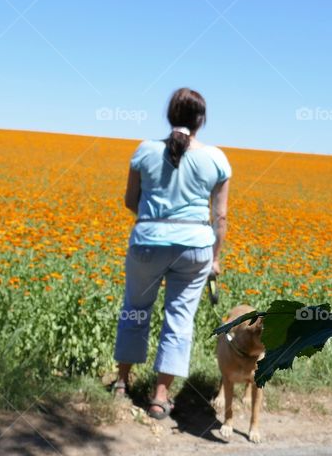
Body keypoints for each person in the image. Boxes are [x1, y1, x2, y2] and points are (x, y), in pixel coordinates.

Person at [110, 87, 231, 419]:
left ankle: (121, 383)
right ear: (201, 120)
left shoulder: (145, 151)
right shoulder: (216, 158)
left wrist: (155, 220)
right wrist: (215, 257)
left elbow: (130, 201)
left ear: (169, 116)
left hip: (148, 240)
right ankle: (160, 397)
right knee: (179, 319)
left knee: (135, 309)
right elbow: (219, 217)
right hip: (195, 247)